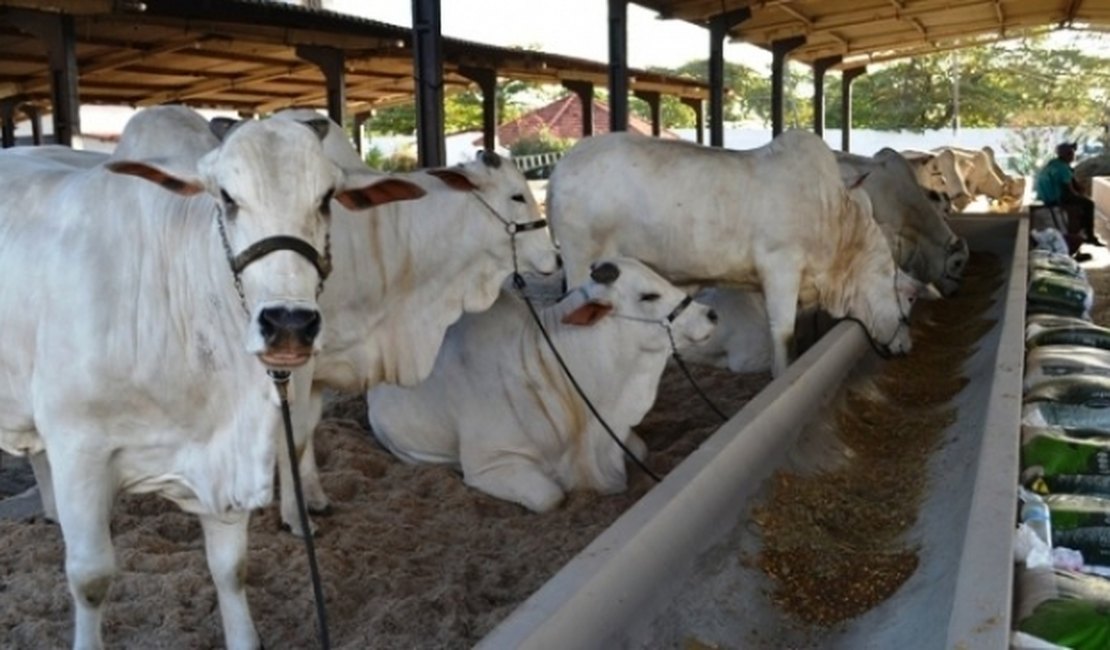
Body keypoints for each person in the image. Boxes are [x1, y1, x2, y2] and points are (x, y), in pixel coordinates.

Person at [1035, 141, 1104, 248]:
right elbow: (1071, 189)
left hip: (1046, 197)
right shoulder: (1062, 168)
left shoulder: (1054, 163)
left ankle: (1083, 231)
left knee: (1082, 202)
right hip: (1055, 199)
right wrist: (1081, 195)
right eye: (1072, 153)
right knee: (1089, 204)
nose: (1074, 156)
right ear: (1067, 155)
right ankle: (1090, 236)